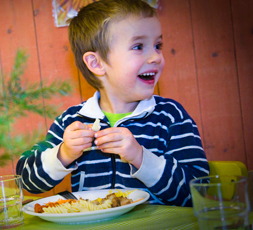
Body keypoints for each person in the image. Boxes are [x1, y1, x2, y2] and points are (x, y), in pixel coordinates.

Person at [16, 0, 209, 207]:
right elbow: (25, 179)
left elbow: (199, 191)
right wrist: (63, 153)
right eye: (138, 46)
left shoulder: (171, 117)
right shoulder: (71, 121)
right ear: (97, 64)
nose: (155, 57)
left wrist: (140, 157)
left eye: (158, 45)